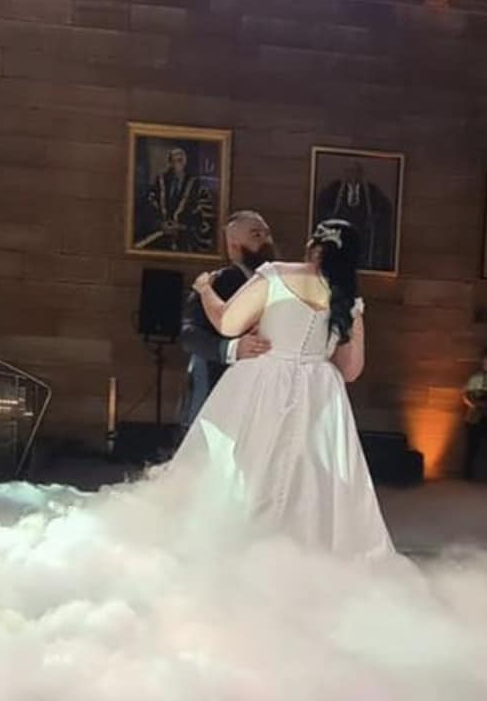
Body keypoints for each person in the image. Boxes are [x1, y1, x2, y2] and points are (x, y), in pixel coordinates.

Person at [167, 219, 393, 558]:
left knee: (248, 464)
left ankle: (238, 547)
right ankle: (299, 555)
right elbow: (350, 370)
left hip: (264, 380)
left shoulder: (275, 274)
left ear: (311, 244)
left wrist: (204, 290)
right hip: (319, 394)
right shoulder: (348, 300)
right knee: (309, 478)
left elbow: (227, 322)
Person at [179, 211, 275, 429]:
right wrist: (229, 349)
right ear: (233, 245)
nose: (266, 240)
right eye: (256, 234)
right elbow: (189, 335)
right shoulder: (217, 283)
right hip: (217, 385)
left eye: (267, 234)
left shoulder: (280, 282)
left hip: (263, 391)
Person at [316, 161, 393, 271]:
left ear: (360, 174)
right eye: (349, 171)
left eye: (355, 171)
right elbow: (323, 209)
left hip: (361, 238)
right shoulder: (333, 190)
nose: (352, 175)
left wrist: (372, 220)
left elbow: (384, 210)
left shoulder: (372, 192)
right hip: (341, 236)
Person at [146, 147, 215, 253]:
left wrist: (182, 226)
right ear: (169, 162)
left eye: (179, 160)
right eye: (173, 161)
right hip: (161, 234)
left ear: (185, 162)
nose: (176, 165)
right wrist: (160, 223)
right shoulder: (160, 182)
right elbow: (150, 205)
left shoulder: (196, 185)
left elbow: (204, 214)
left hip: (185, 237)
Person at [461, 347, 487, 480]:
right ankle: (467, 476)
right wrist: (475, 404)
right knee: (472, 447)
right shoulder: (475, 378)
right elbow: (465, 396)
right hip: (475, 417)